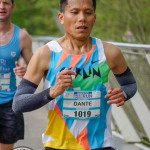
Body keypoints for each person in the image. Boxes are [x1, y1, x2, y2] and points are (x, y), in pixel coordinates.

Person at [12, 0, 137, 150]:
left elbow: (130, 84)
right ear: (61, 17)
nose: (82, 18)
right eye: (74, 12)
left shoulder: (110, 53)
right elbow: (18, 104)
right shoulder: (46, 54)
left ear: (94, 18)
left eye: (88, 13)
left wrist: (123, 94)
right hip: (58, 145)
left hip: (100, 145)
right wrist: (51, 92)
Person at [0, 0, 33, 149]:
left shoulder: (22, 36)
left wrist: (26, 71)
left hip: (9, 104)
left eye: (6, 2)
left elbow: (35, 68)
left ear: (13, 6)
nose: (1, 7)